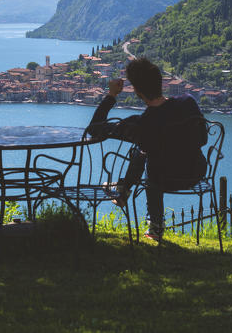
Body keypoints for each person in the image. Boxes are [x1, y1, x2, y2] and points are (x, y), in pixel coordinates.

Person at [87, 57, 207, 241]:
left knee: (146, 155)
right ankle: (124, 190)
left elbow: (94, 129)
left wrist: (111, 95)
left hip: (163, 180)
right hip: (197, 172)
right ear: (160, 81)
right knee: (146, 152)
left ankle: (131, 199)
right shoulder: (188, 102)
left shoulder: (141, 124)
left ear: (136, 91)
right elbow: (203, 139)